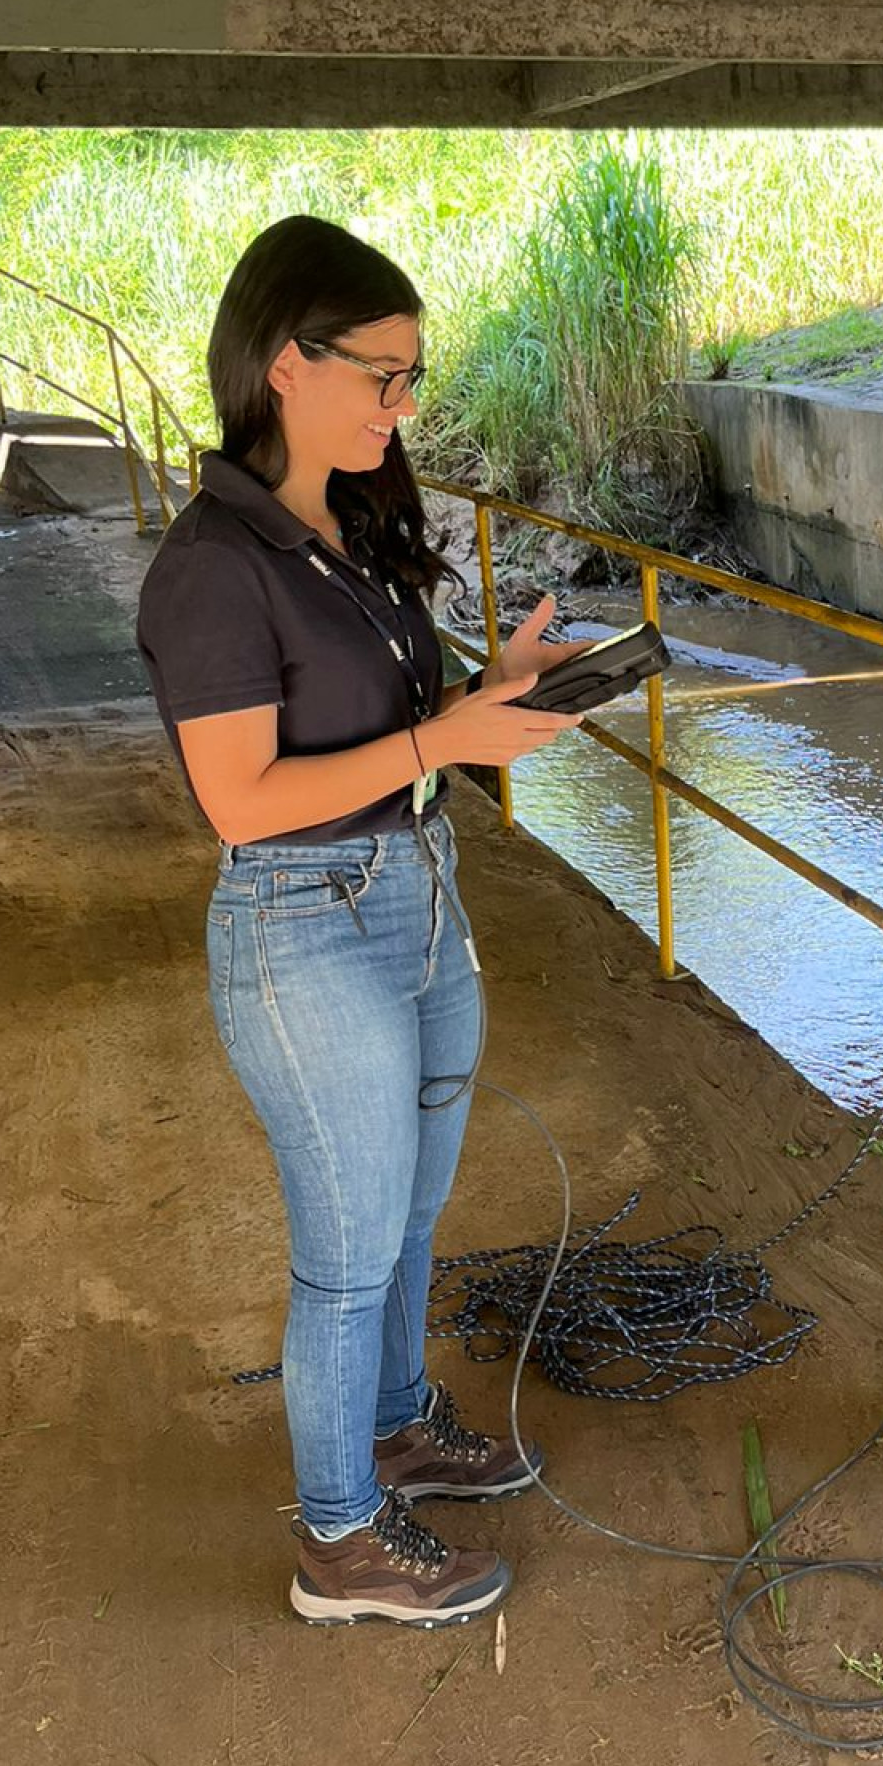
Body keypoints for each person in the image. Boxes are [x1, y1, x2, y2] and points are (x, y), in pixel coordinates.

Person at [136, 214, 586, 1629]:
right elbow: (245, 801)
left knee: (409, 1213)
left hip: (418, 893)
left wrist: (491, 687)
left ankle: (395, 1426)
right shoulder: (214, 563)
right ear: (285, 365)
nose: (404, 406)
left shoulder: (355, 519)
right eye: (381, 376)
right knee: (344, 1250)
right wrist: (443, 736)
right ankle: (340, 1540)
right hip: (302, 922)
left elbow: (396, 724)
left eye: (413, 378)